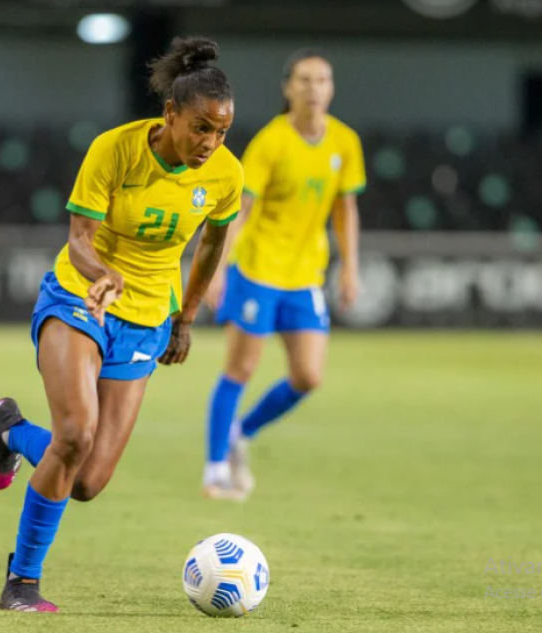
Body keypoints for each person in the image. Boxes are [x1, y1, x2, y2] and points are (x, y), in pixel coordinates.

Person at [0, 37, 243, 612]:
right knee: (74, 434)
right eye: (201, 128)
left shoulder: (224, 175)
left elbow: (211, 245)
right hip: (80, 299)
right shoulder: (115, 150)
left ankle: (11, 432)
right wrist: (102, 274)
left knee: (87, 482)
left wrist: (186, 315)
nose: (211, 143)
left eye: (222, 131)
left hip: (148, 317)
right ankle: (22, 583)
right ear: (170, 114)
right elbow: (79, 239)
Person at [202, 49, 366, 500]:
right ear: (288, 88)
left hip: (305, 276)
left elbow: (345, 208)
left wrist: (349, 267)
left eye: (323, 80)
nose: (315, 88)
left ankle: (241, 433)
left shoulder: (344, 143)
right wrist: (215, 270)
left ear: (331, 88)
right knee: (240, 368)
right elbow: (240, 209)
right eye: (305, 80)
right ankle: (215, 468)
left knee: (309, 376)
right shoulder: (271, 142)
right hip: (257, 269)